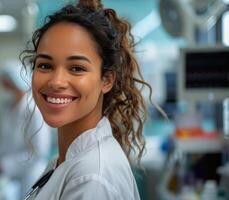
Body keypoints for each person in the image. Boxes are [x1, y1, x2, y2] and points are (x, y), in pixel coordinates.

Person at [20, 0, 159, 199]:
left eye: (77, 68)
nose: (57, 81)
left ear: (107, 80)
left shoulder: (92, 179)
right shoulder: (67, 160)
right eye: (45, 65)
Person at [0, 63, 51, 199]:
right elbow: (4, 143)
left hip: (30, 175)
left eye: (7, 84)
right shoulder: (9, 107)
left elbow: (39, 152)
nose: (4, 88)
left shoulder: (33, 110)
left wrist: (3, 165)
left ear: (17, 83)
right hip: (10, 175)